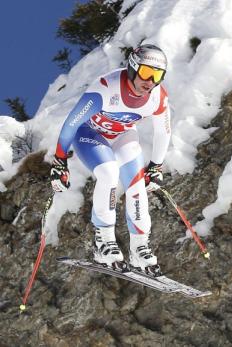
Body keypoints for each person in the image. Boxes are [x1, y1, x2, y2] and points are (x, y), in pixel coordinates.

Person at [50, 44, 171, 276]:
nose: (150, 81)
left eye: (157, 75)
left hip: (123, 135)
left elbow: (163, 132)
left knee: (137, 183)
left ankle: (140, 247)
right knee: (108, 173)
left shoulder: (157, 97)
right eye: (146, 72)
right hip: (89, 134)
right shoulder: (106, 88)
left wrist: (155, 166)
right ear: (134, 68)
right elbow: (71, 124)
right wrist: (59, 162)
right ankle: (104, 242)